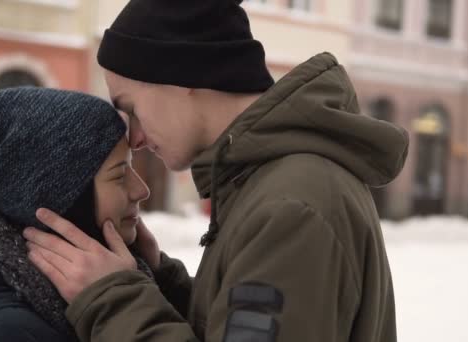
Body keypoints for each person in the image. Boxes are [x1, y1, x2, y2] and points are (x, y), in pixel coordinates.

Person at [23, 0, 410, 341]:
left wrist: (110, 298)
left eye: (132, 108)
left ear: (180, 75)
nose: (135, 137)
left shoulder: (291, 206)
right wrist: (161, 281)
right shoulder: (270, 182)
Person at [0, 87, 152, 341]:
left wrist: (158, 276)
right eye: (119, 175)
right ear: (62, 200)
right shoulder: (8, 333)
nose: (142, 190)